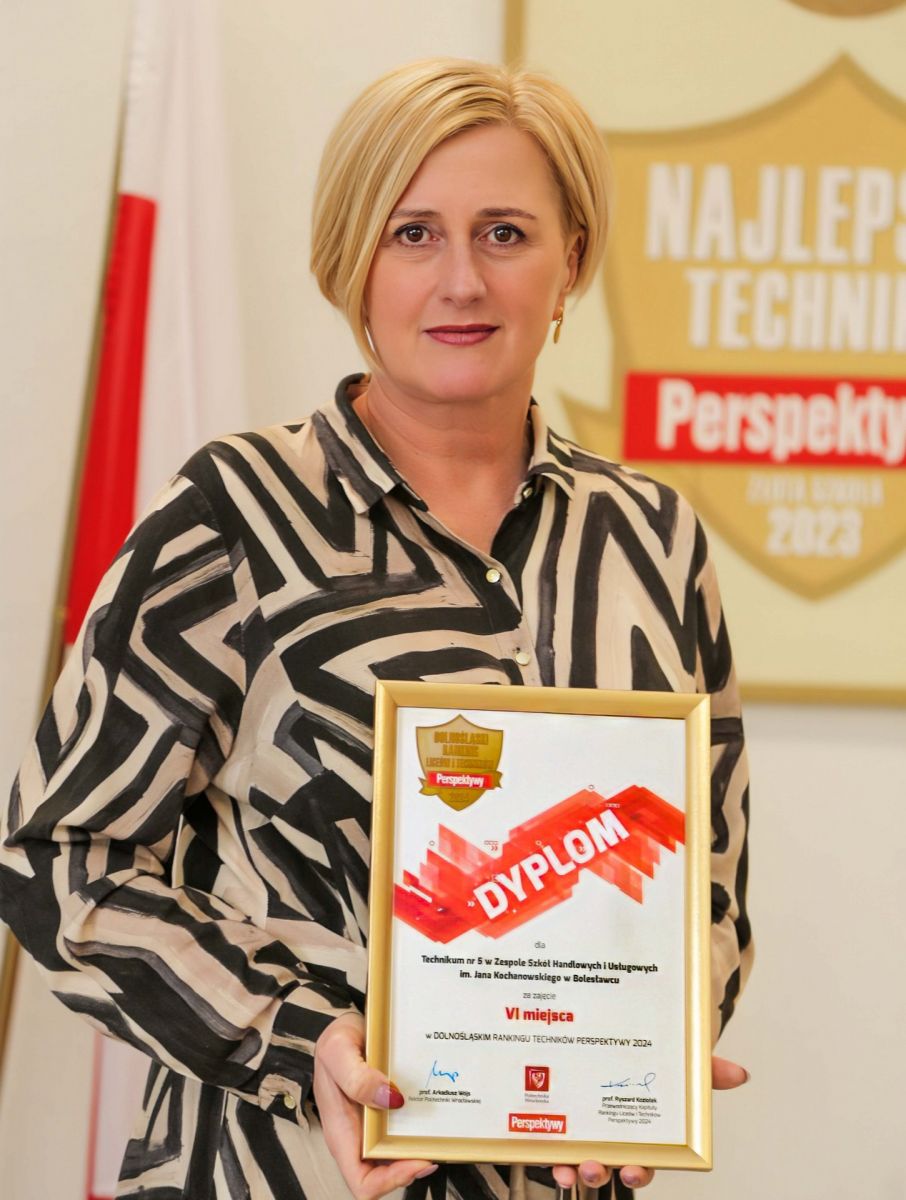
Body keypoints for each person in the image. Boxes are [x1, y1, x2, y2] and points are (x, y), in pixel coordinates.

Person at [0, 58, 752, 1200]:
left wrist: (653, 1048)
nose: (461, 280)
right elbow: (59, 861)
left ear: (571, 261)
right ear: (353, 258)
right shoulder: (233, 518)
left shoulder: (651, 538)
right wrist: (299, 1040)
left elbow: (710, 885)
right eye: (413, 235)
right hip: (278, 1170)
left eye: (505, 233)